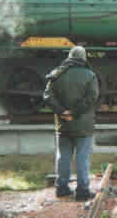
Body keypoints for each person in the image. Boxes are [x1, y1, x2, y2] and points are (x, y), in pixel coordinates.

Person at [43, 46, 100, 201]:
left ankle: (61, 188)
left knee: (63, 157)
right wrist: (74, 112)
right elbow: (92, 97)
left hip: (63, 124)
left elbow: (47, 96)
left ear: (69, 57)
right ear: (84, 58)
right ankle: (82, 191)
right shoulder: (90, 75)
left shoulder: (57, 74)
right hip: (83, 125)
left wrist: (62, 112)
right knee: (82, 157)